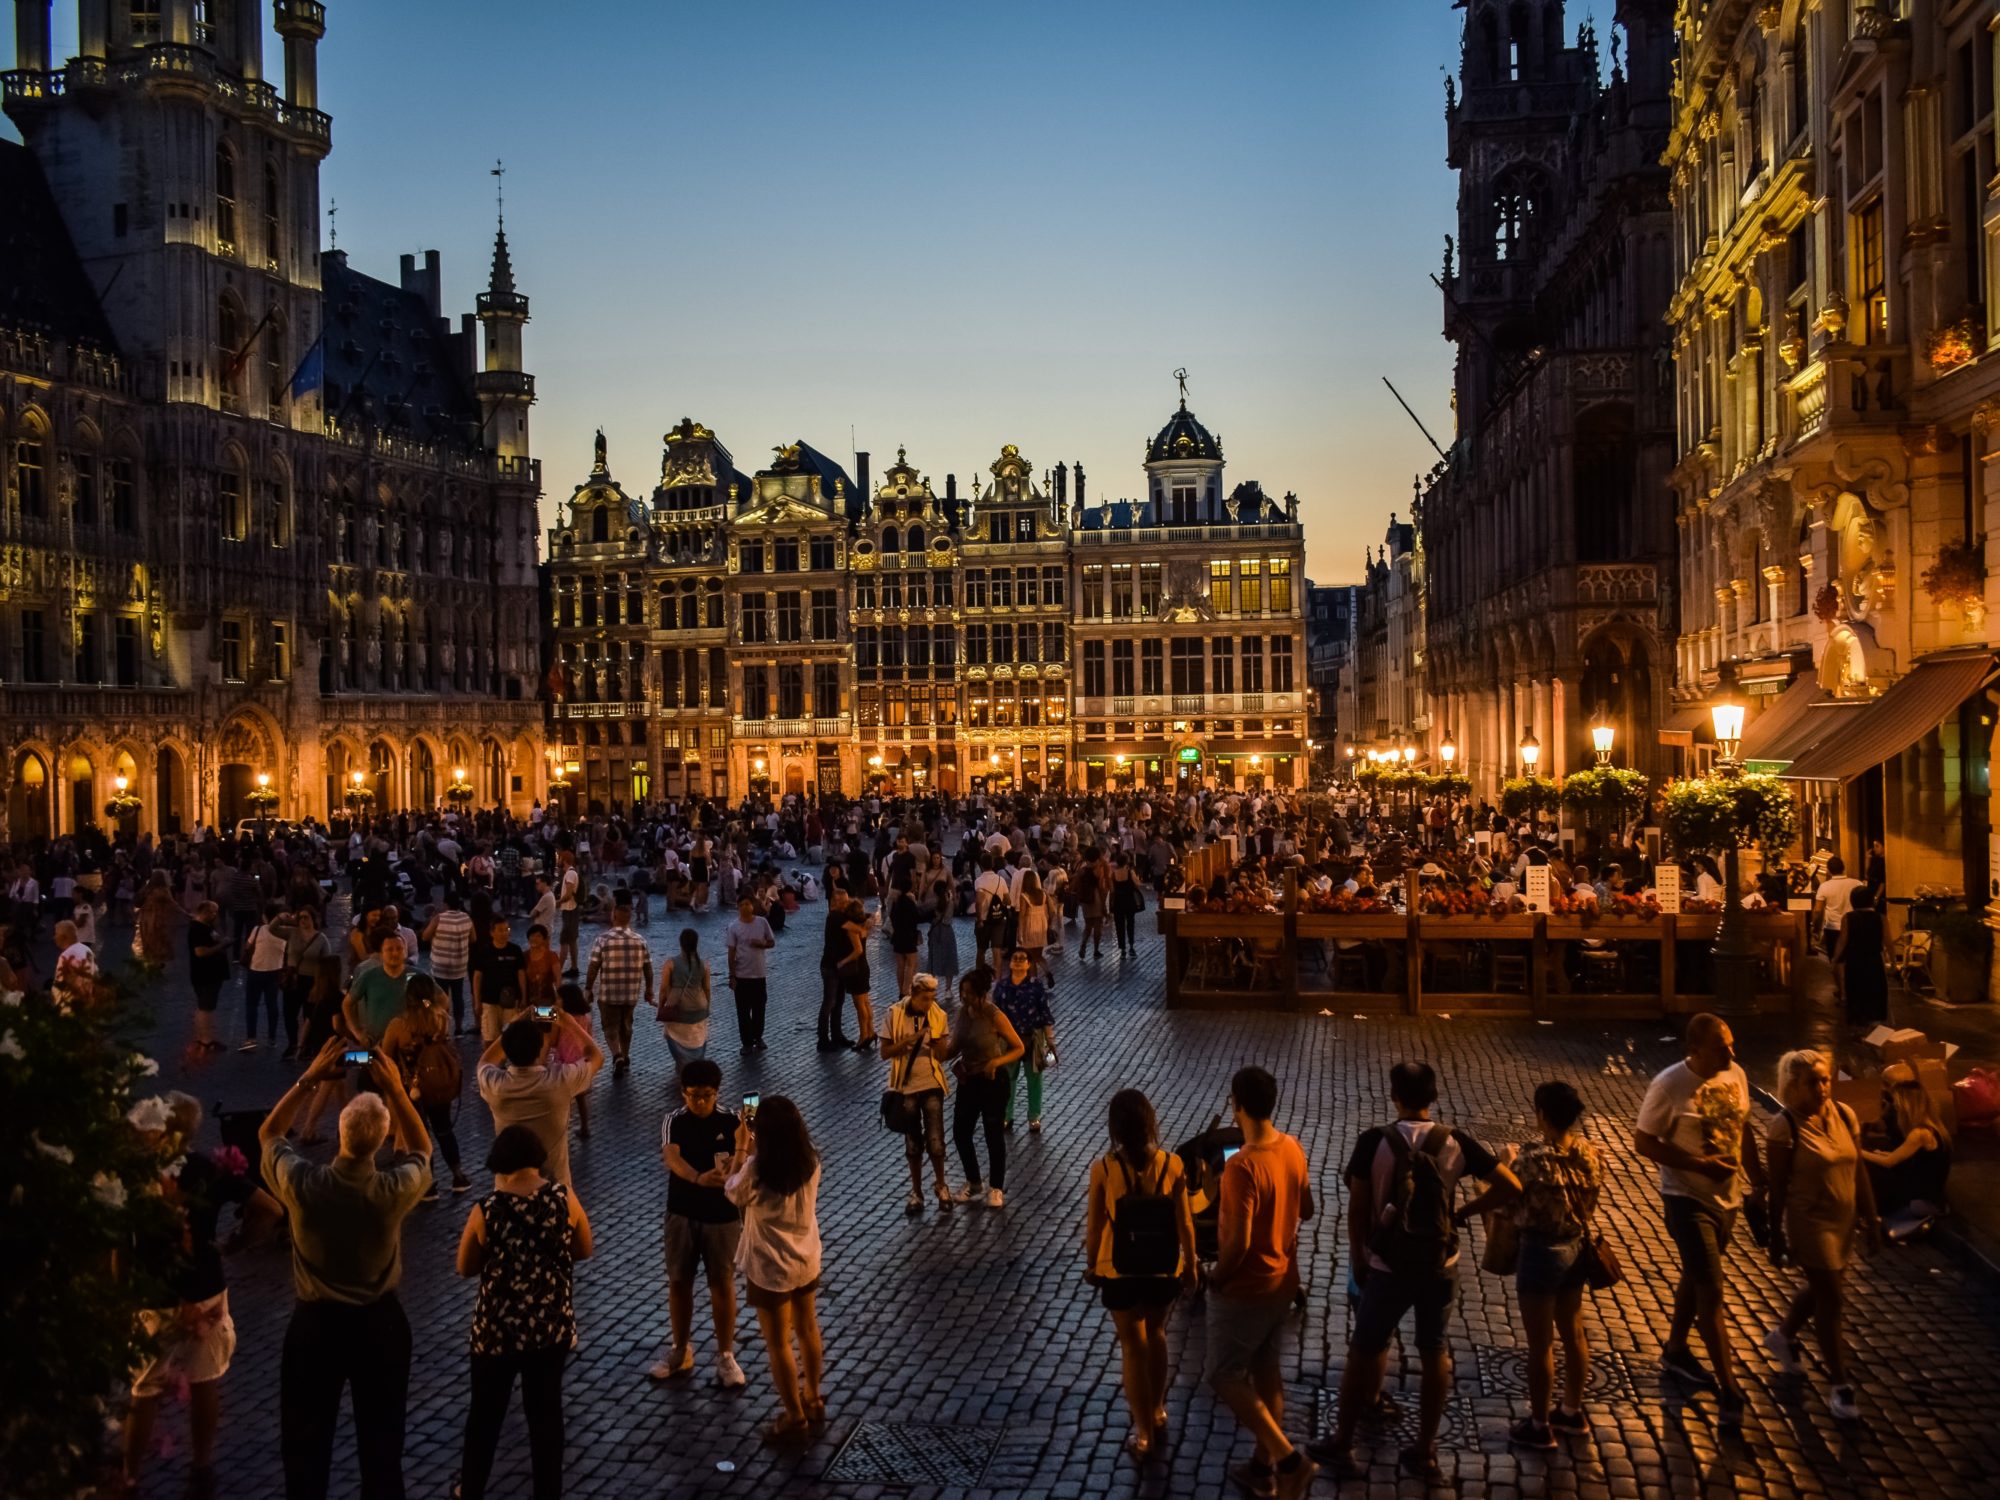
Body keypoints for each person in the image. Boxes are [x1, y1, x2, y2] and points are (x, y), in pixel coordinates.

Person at [258, 1041, 433, 1500]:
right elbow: (422, 1151)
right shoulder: (390, 1191)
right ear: (380, 1140)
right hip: (379, 1325)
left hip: (315, 1327)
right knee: (382, 1446)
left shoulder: (303, 1185)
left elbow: (269, 1135)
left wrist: (308, 1078)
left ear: (340, 1133)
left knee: (305, 1446)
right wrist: (396, 1090)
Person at [123, 1093, 277, 1498]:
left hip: (153, 1293)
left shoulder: (137, 1176)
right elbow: (270, 1209)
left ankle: (130, 1473)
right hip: (206, 1288)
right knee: (206, 1379)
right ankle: (202, 1465)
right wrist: (236, 1242)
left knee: (145, 1388)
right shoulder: (208, 1170)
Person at [1634, 1013, 1764, 1429]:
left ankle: (1675, 1350)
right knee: (1711, 1291)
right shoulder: (1669, 1086)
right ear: (1695, 1050)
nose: (1731, 1052)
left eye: (1731, 1043)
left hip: (1726, 1200)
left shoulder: (1737, 1075)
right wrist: (1698, 1164)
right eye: (1721, 1047)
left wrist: (1757, 1181)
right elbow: (1643, 1140)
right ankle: (1729, 1388)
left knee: (1695, 1275)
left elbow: (1743, 1129)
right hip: (1686, 1199)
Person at [454, 1124, 595, 1500]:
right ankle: (548, 1491)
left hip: (496, 1332)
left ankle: (471, 1489)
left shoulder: (486, 1210)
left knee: (484, 1417)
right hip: (550, 1327)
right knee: (546, 1415)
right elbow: (583, 1248)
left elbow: (465, 1267)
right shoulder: (564, 1198)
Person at [1203, 1066, 1317, 1500]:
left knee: (1223, 1374)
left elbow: (1237, 1244)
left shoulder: (1242, 1168)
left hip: (1247, 1289)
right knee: (1268, 1373)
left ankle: (1289, 1459)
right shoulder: (1292, 1147)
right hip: (1285, 1281)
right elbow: (1306, 1209)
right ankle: (1262, 1465)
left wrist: (1217, 1279)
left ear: (1237, 1105)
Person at [1763, 1049, 1877, 1421]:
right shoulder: (1784, 1127)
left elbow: (1858, 1168)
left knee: (1822, 1291)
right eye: (1815, 1082)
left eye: (1826, 1079)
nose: (1823, 1088)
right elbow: (1778, 1187)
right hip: (1809, 1221)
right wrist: (1775, 1233)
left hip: (1842, 1218)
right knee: (1832, 1299)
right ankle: (1840, 1385)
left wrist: (1871, 1217)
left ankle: (1783, 1334)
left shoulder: (1845, 1115)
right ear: (1794, 1085)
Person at [1084, 1089, 1198, 1462]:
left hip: (1118, 1268)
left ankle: (1143, 1433)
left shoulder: (1104, 1168)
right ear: (1151, 1122)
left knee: (1132, 1346)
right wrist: (1192, 1264)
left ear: (1115, 1128)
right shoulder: (1173, 1165)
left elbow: (1096, 1225)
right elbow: (1184, 1222)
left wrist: (1091, 1265)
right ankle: (1160, 1407)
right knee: (1158, 1334)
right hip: (1163, 1266)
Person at [1502, 1081, 1603, 1450]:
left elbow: (1509, 1201)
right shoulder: (1591, 1153)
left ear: (1542, 1115)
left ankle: (1539, 1422)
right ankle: (1572, 1410)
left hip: (1540, 1252)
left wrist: (1505, 1162)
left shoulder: (1531, 1159)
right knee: (1574, 1334)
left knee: (1540, 1343)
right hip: (1575, 1248)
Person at [725, 1094, 825, 1444]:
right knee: (808, 1328)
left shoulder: (757, 1169)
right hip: (806, 1255)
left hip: (770, 1265)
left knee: (778, 1342)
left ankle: (794, 1415)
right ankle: (813, 1397)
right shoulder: (810, 1158)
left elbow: (733, 1193)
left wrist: (741, 1149)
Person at [650, 1057, 747, 1388]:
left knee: (722, 1283)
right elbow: (671, 1157)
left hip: (723, 1216)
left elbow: (746, 1154)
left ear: (717, 1093)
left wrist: (737, 1160)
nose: (700, 1102)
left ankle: (726, 1355)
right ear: (683, 1093)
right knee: (679, 1281)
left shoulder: (735, 1120)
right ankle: (680, 1349)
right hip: (681, 1211)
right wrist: (698, 1178)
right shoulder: (673, 1121)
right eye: (692, 1095)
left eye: (706, 1095)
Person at [477, 1012, 604, 1189]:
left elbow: (485, 1061)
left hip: (506, 1190)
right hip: (555, 1187)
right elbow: (596, 1057)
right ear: (540, 1048)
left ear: (507, 1049)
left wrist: (516, 1024)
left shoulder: (496, 1085)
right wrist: (569, 1022)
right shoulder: (560, 1081)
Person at [381, 973, 471, 1196]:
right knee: (444, 1130)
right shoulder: (441, 1018)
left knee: (420, 1135)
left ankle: (428, 1184)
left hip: (413, 1090)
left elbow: (386, 1055)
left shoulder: (399, 1025)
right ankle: (458, 1175)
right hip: (439, 1085)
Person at [946, 965, 1024, 1208]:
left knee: (993, 1135)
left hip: (992, 1081)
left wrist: (995, 1062)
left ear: (981, 993)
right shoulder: (963, 1014)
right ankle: (974, 1181)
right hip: (969, 1079)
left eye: (968, 992)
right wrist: (935, 1051)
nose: (964, 996)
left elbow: (1019, 1047)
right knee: (961, 1132)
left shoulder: (995, 1015)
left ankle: (996, 1188)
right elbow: (954, 1047)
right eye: (962, 992)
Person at [883, 973, 953, 1213]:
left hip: (932, 1084)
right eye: (925, 999)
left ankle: (941, 1185)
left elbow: (943, 1055)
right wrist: (909, 1041)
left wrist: (938, 1046)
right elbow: (885, 1052)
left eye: (933, 998)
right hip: (906, 1087)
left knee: (936, 1141)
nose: (929, 1004)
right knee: (913, 1143)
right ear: (913, 994)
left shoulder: (939, 1015)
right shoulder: (894, 1013)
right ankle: (916, 1191)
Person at [1862, 1068, 1953, 1232]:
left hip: (1924, 1197)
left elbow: (1890, 1162)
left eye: (1897, 1104)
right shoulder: (1933, 1127)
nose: (1896, 1108)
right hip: (1932, 1192)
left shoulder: (1920, 1133)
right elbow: (1906, 1157)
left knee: (1875, 1177)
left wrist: (1857, 1151)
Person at [584, 896, 653, 1076]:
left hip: (609, 994)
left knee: (610, 1027)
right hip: (631, 994)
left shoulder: (603, 940)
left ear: (613, 916)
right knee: (626, 1025)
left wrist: (588, 988)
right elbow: (648, 968)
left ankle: (616, 1055)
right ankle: (626, 1054)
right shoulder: (640, 940)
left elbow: (593, 966)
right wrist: (649, 990)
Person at [993, 947, 1055, 1134]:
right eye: (1015, 958)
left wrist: (1050, 1038)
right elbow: (994, 1013)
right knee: (1007, 1078)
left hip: (1033, 1038)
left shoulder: (1036, 986)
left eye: (1022, 958)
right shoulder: (1002, 986)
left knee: (1034, 1078)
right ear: (1010, 963)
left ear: (1029, 964)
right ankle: (1006, 1116)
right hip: (1008, 1040)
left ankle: (1034, 1117)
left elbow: (1045, 1013)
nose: (1018, 961)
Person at [724, 895, 777, 1055]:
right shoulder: (733, 927)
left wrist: (762, 944)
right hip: (742, 975)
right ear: (738, 907)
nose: (745, 907)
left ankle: (758, 1036)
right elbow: (731, 952)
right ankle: (746, 1042)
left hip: (759, 974)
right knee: (743, 1011)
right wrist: (732, 975)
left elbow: (771, 942)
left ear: (752, 906)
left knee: (759, 1009)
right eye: (742, 905)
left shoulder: (762, 922)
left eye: (748, 904)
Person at [1833, 886, 1889, 1028]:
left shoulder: (1848, 918)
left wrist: (1835, 958)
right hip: (1874, 959)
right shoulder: (1881, 918)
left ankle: (1857, 1023)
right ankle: (1875, 1022)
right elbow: (1888, 941)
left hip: (1855, 960)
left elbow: (1842, 940)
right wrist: (1893, 961)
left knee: (1856, 989)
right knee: (1875, 989)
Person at [658, 927, 713, 1072]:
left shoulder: (670, 964)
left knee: (674, 1035)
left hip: (679, 1007)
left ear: (681, 943)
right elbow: (707, 988)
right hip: (699, 1006)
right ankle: (695, 1062)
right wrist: (707, 1006)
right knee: (698, 1036)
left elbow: (663, 989)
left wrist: (661, 1008)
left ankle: (682, 1062)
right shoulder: (704, 964)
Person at [343, 932, 412, 1047]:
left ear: (405, 952)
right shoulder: (369, 976)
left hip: (408, 1045)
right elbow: (347, 1004)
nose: (395, 953)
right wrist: (357, 1033)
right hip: (375, 1045)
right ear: (382, 953)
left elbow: (435, 1001)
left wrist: (427, 1007)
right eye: (390, 949)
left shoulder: (416, 976)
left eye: (399, 949)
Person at [422, 891, 476, 1035]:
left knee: (441, 997)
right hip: (459, 966)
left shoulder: (439, 918)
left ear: (445, 904)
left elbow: (425, 936)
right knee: (458, 997)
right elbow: (473, 939)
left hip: (440, 965)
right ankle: (458, 1027)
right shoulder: (466, 918)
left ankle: (443, 1028)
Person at [241, 902, 290, 1052]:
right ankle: (272, 1039)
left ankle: (251, 1038)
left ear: (264, 916)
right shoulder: (285, 932)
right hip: (275, 971)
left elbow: (248, 946)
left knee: (251, 1005)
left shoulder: (257, 930)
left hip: (256, 970)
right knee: (272, 1005)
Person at [472, 919, 528, 1043]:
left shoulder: (515, 950)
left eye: (507, 930)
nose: (504, 933)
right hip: (489, 1000)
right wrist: (477, 1001)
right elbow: (477, 977)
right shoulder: (484, 951)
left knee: (511, 1035)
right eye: (500, 930)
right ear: (492, 933)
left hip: (511, 1000)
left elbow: (521, 974)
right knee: (489, 1036)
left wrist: (523, 997)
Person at [837, 896, 879, 1053]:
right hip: (864, 967)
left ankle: (863, 1037)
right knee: (866, 1003)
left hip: (856, 969)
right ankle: (871, 1031)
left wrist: (843, 962)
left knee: (860, 1005)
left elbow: (858, 951)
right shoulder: (862, 926)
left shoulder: (851, 928)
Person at [187, 900, 229, 1053]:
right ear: (204, 912)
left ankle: (202, 1036)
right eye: (213, 912)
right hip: (207, 974)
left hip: (206, 973)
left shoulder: (206, 927)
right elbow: (200, 952)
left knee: (202, 1007)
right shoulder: (198, 929)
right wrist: (221, 946)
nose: (215, 915)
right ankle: (206, 1041)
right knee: (206, 1008)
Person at [1810, 855, 1863, 959]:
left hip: (1833, 927)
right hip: (1854, 925)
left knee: (1836, 958)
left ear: (1828, 871)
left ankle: (1839, 975)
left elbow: (1817, 910)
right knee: (1853, 958)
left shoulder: (1824, 886)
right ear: (1844, 868)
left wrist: (1812, 924)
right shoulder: (1857, 884)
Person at [887, 881, 924, 1001]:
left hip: (897, 937)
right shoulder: (910, 903)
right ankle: (905, 992)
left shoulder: (896, 903)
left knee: (900, 966)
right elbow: (916, 918)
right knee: (911, 965)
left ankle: (900, 991)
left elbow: (891, 917)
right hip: (909, 937)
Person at [1109, 852, 1145, 958]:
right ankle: (1131, 947)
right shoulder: (1130, 872)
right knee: (1130, 923)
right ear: (1127, 861)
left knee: (1119, 925)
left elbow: (1112, 890)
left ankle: (1122, 949)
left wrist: (1111, 903)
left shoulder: (1113, 874)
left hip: (1118, 901)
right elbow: (1137, 884)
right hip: (1129, 900)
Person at [555, 846, 582, 977]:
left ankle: (558, 970)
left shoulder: (570, 874)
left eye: (559, 858)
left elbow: (569, 894)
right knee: (572, 940)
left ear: (564, 860)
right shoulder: (571, 873)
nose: (558, 860)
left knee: (564, 940)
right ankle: (574, 967)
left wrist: (557, 902)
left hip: (569, 909)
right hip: (572, 910)